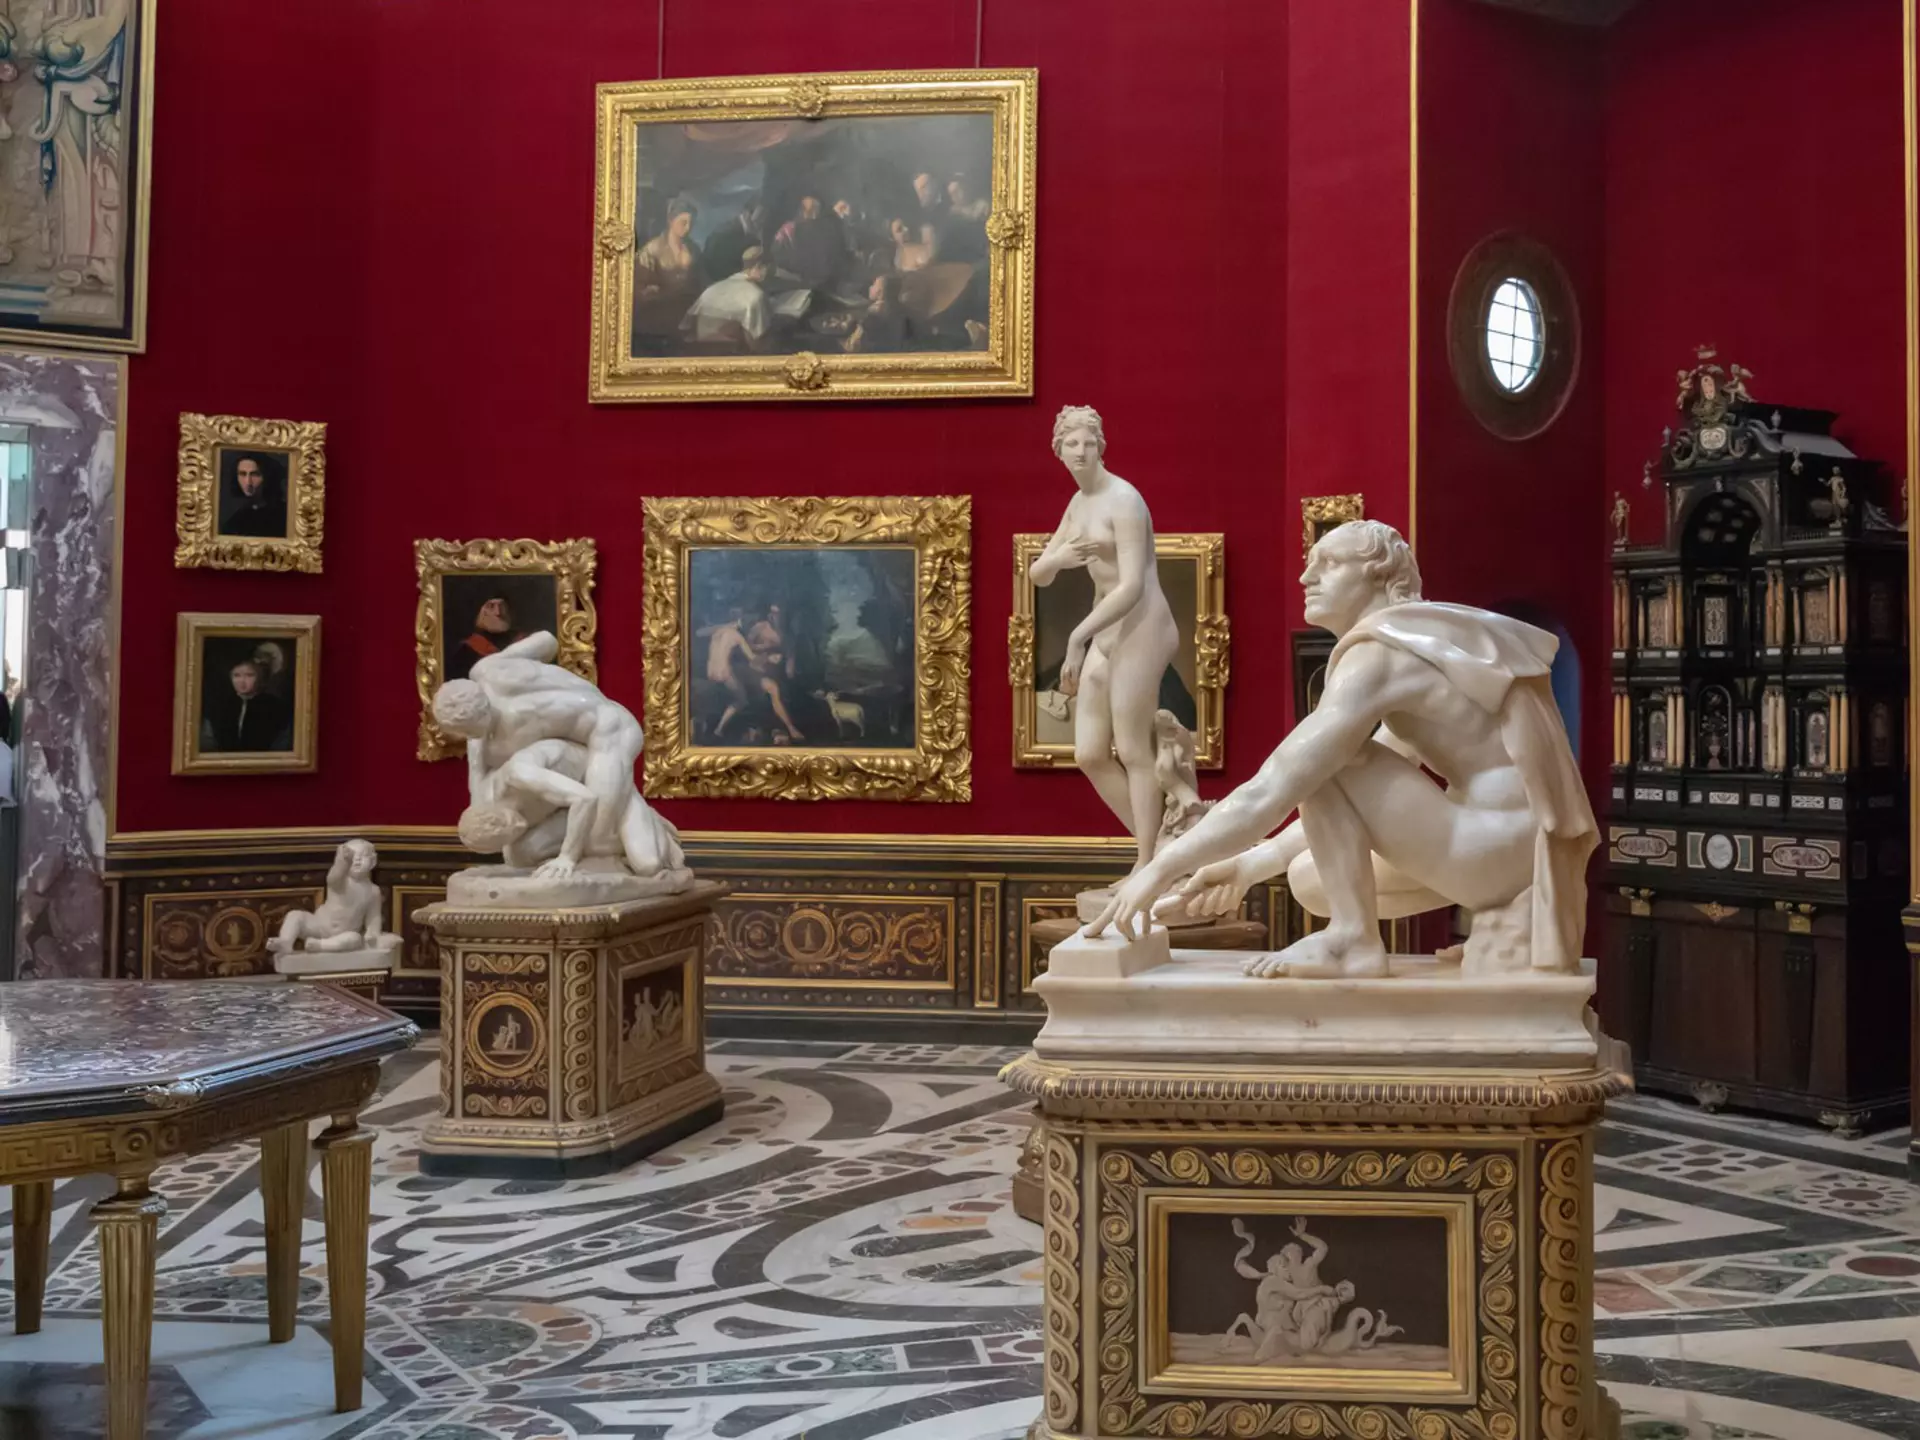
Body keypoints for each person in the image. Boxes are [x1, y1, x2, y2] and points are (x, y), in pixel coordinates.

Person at [1091, 519, 1596, 981]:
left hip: (1498, 845)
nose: (1306, 577)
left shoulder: (1379, 655)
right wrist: (1249, 866)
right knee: (1309, 879)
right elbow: (1362, 791)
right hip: (1515, 853)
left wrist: (1158, 869)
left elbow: (1285, 780)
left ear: (1378, 577)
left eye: (1328, 564)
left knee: (1327, 760)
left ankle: (1353, 940)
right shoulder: (1420, 647)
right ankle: (1379, 929)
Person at [1030, 405, 1180, 875]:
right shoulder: (1078, 505)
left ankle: (1146, 865)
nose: (1080, 451)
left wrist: (1077, 638)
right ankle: (1161, 853)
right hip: (1107, 627)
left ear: (1101, 447)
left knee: (1134, 749)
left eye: (1089, 443)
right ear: (1058, 451)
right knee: (1091, 753)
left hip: (1142, 625)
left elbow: (1132, 585)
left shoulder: (1124, 500)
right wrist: (1062, 558)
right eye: (1071, 444)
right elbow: (1038, 573)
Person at [435, 631, 685, 881]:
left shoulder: (496, 690)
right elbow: (547, 642)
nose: (469, 738)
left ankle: (630, 825)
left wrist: (568, 857)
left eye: (467, 731)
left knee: (599, 839)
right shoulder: (487, 670)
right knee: (527, 851)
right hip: (571, 753)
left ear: (481, 715)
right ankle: (619, 820)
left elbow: (547, 640)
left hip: (609, 731)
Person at [682, 248, 811, 349]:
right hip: (729, 351)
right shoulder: (755, 295)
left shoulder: (715, 287)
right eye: (768, 269)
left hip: (700, 346)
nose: (768, 274)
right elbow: (757, 342)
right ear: (758, 267)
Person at [632, 198, 705, 338]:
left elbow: (700, 281)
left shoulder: (694, 249)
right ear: (671, 221)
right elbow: (639, 288)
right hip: (658, 314)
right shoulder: (652, 249)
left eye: (691, 223)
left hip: (686, 311)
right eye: (683, 223)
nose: (688, 228)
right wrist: (652, 291)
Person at [204, 659, 289, 752]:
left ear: (260, 678)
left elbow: (282, 742)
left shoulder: (274, 706)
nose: (242, 681)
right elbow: (209, 741)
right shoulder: (220, 705)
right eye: (236, 675)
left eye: (249, 675)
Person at [771, 195, 845, 288]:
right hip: (792, 282)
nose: (814, 216)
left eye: (816, 211)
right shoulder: (787, 231)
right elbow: (777, 256)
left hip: (819, 284)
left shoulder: (822, 231)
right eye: (810, 211)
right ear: (801, 211)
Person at [447, 595, 517, 682]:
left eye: (502, 607)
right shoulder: (466, 651)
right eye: (491, 606)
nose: (498, 612)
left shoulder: (520, 643)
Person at [847, 273, 916, 353]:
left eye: (873, 285)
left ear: (880, 293)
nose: (870, 287)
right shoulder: (901, 309)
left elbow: (854, 346)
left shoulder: (874, 312)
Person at [221, 456, 286, 538]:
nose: (248, 482)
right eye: (242, 474)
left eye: (255, 474)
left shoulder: (284, 515)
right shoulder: (234, 521)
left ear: (267, 477)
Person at [704, 202, 765, 284]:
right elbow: (718, 273)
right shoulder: (722, 236)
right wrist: (746, 275)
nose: (763, 223)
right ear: (747, 214)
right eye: (761, 218)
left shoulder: (750, 234)